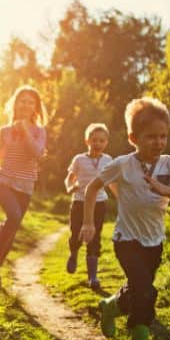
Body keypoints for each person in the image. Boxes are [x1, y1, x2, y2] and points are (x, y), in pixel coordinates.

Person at [79, 97, 170, 340]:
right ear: (133, 137)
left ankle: (110, 307)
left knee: (138, 290)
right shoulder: (122, 164)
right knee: (146, 291)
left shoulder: (169, 164)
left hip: (155, 242)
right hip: (127, 240)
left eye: (163, 136)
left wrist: (167, 191)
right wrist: (88, 223)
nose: (158, 142)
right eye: (151, 136)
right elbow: (92, 188)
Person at [0, 85, 48, 287]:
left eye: (30, 102)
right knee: (14, 216)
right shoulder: (5, 131)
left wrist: (26, 131)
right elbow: (1, 153)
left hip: (25, 185)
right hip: (4, 182)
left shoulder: (39, 131)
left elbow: (36, 154)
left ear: (36, 108)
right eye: (22, 100)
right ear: (15, 104)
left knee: (13, 224)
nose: (25, 104)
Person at [64, 123, 112, 290]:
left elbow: (112, 180)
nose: (97, 143)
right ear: (87, 141)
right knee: (76, 231)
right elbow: (69, 178)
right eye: (94, 140)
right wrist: (70, 188)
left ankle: (92, 276)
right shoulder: (79, 159)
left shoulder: (108, 160)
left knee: (94, 235)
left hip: (99, 203)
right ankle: (74, 253)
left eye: (101, 140)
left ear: (106, 142)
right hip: (79, 201)